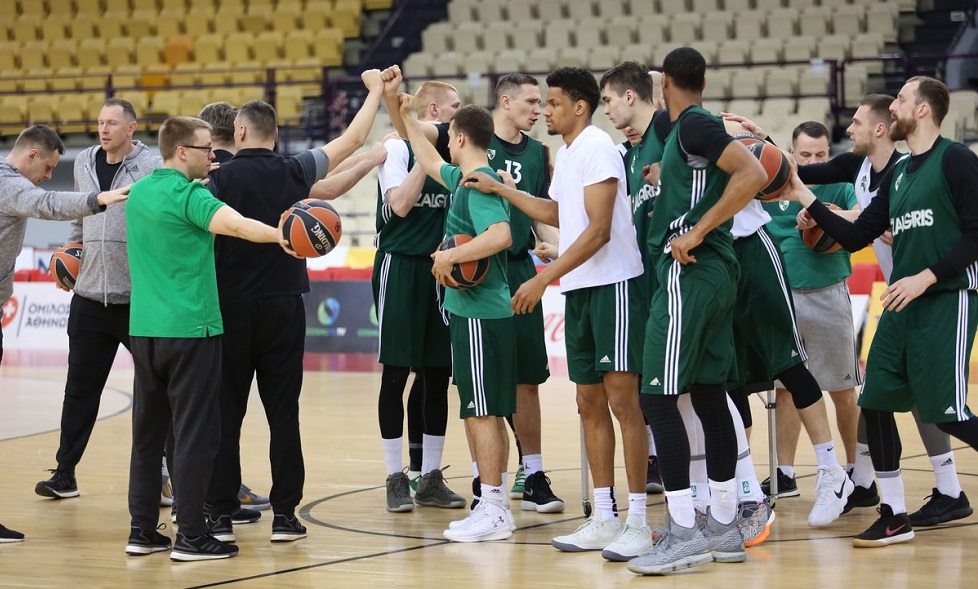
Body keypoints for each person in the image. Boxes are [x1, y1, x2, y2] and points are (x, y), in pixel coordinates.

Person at [742, 95, 971, 524]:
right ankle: (880, 492)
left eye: (858, 122)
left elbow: (870, 223)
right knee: (879, 397)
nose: (849, 130)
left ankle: (932, 488)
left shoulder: (918, 170)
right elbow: (799, 177)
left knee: (936, 406)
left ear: (883, 127)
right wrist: (762, 140)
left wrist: (837, 212)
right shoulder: (859, 168)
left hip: (937, 292)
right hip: (901, 293)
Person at [464, 66, 652, 557]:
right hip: (582, 291)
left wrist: (543, 276)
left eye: (551, 104)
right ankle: (605, 516)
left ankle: (638, 520)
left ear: (579, 107)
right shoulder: (567, 154)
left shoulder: (596, 148)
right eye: (541, 104)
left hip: (613, 287)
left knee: (622, 403)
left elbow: (597, 230)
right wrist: (504, 192)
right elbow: (556, 214)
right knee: (588, 403)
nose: (544, 111)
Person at [204, 68, 389, 545]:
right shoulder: (294, 170)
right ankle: (285, 517)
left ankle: (220, 517)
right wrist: (373, 94)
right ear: (276, 135)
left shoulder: (214, 181)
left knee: (226, 413)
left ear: (239, 131)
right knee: (283, 414)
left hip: (230, 308)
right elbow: (351, 138)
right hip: (284, 307)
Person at [124, 115, 292, 561]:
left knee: (147, 439)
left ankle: (142, 531)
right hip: (192, 330)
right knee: (195, 436)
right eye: (204, 150)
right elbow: (237, 225)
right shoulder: (191, 195)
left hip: (145, 329)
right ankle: (191, 536)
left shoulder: (139, 193)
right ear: (182, 152)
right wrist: (284, 236)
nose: (213, 156)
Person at [625, 47, 766, 576]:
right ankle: (725, 526)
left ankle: (684, 529)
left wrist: (698, 228)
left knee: (656, 397)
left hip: (693, 268)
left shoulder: (695, 126)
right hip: (715, 272)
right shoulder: (685, 126)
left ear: (666, 85)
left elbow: (751, 173)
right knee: (707, 393)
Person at [0, 124, 128, 545]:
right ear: (32, 155)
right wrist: (97, 199)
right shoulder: (9, 183)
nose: (49, 175)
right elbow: (47, 202)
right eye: (50, 166)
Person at [398, 95, 517, 543]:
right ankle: (494, 503)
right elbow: (428, 161)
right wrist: (407, 115)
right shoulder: (464, 177)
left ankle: (492, 508)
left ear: (462, 137)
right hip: (475, 314)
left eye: (449, 135)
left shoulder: (477, 183)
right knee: (483, 411)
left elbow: (500, 235)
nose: (445, 141)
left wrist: (450, 257)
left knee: (481, 412)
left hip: (482, 314)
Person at [34, 98, 161, 502]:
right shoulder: (83, 162)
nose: (103, 129)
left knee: (155, 392)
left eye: (112, 123)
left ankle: (164, 476)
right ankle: (65, 473)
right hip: (88, 298)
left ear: (131, 128)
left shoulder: (153, 166)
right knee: (79, 391)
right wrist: (70, 255)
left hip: (138, 300)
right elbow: (78, 220)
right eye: (100, 122)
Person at [373, 74, 464, 513]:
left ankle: (429, 476)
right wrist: (423, 159)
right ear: (433, 113)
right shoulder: (396, 148)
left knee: (436, 376)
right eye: (454, 108)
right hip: (400, 265)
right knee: (396, 373)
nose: (459, 115)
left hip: (439, 271)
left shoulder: (460, 157)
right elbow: (400, 206)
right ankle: (395, 476)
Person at [486, 73, 563, 514]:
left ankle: (532, 473)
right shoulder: (475, 141)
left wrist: (557, 249)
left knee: (526, 379)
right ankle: (487, 478)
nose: (539, 110)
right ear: (506, 100)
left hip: (518, 268)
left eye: (541, 102)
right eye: (531, 102)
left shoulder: (537, 154)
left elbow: (542, 214)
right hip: (480, 273)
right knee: (485, 379)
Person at [195, 100, 272, 518]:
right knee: (219, 411)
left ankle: (214, 497)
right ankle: (213, 496)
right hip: (246, 305)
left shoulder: (197, 179)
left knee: (213, 408)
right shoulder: (279, 169)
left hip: (211, 306)